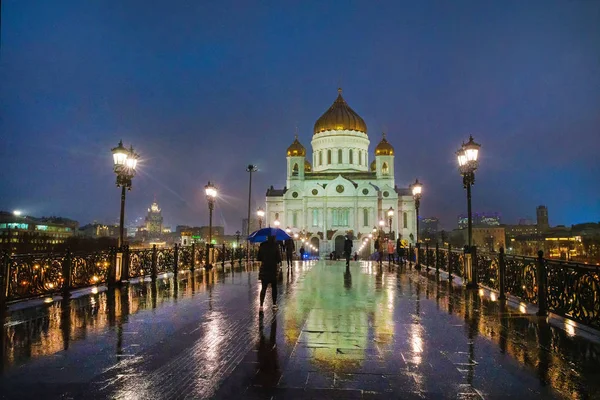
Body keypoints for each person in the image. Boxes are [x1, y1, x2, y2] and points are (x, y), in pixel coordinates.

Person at [257, 235, 281, 311]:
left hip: (264, 268)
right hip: (273, 269)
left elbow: (259, 258)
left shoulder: (262, 244)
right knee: (274, 287)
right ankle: (274, 304)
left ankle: (261, 306)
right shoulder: (276, 245)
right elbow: (279, 259)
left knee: (264, 287)